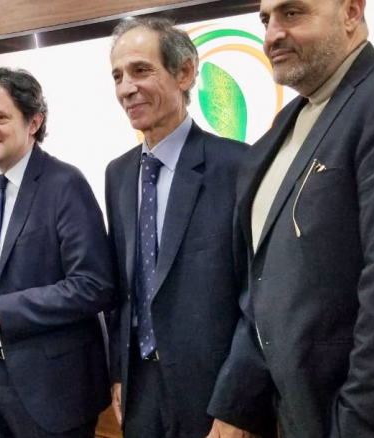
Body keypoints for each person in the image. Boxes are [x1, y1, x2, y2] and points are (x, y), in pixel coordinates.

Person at [207, 0, 374, 437]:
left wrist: (356, 424)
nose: (271, 35)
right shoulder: (285, 124)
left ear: (351, 11)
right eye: (266, 19)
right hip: (293, 414)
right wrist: (235, 409)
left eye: (292, 13)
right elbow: (263, 283)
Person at [0, 67, 113, 438]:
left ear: (34, 122)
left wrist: (1, 310)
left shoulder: (65, 183)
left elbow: (94, 285)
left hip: (53, 390)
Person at [104, 16, 247, 438]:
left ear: (184, 73)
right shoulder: (117, 173)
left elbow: (256, 299)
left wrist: (239, 403)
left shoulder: (239, 166)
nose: (126, 88)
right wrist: (119, 372)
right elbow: (122, 290)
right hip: (139, 390)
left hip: (214, 397)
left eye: (140, 70)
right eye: (117, 76)